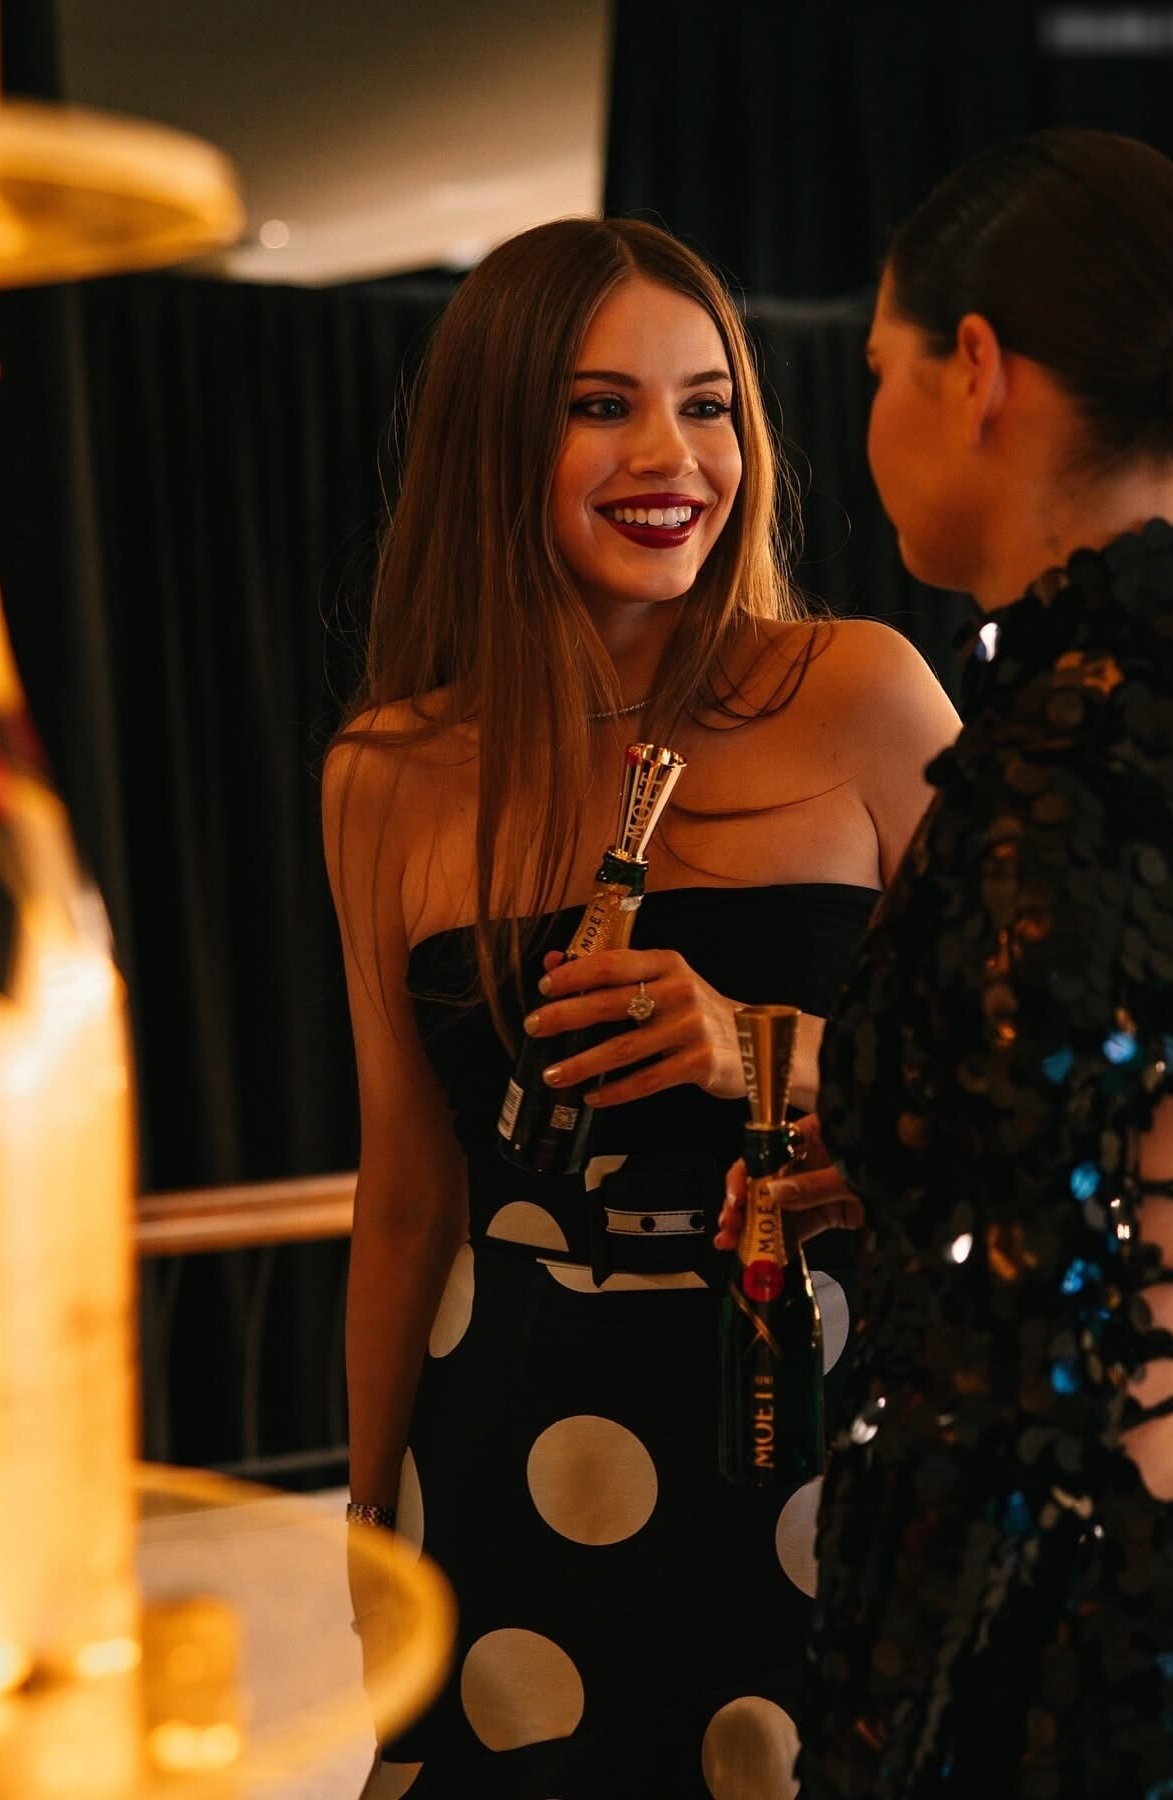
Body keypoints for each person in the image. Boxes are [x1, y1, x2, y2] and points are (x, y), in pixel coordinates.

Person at [323, 216, 957, 1799]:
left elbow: (1043, 1082)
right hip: (509, 1435)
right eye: (601, 405)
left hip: (829, 1422)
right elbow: (407, 1192)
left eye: (708, 403)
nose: (672, 455)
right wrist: (370, 1514)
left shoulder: (863, 691)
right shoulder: (384, 774)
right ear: (494, 440)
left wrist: (766, 1050)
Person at [719, 129, 1173, 1796]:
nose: (867, 413)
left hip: (1048, 1630)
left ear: (978, 372)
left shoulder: (1059, 770)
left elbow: (1095, 1322)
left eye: (881, 367)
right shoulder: (1158, 717)